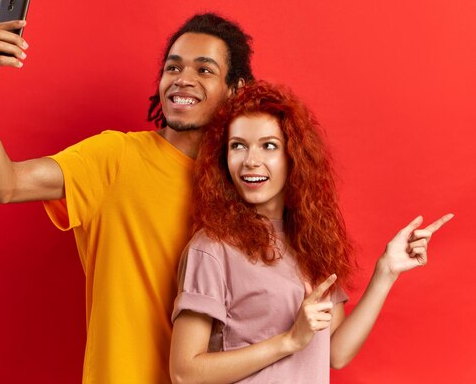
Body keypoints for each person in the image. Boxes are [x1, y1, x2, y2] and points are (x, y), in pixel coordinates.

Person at [0, 12, 254, 383]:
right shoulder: (116, 158)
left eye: (204, 70)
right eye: (173, 67)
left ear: (236, 89)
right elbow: (2, 185)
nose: (183, 79)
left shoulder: (246, 182)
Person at [169, 80, 453, 384]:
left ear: (294, 157)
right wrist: (289, 340)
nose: (251, 161)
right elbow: (185, 374)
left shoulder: (311, 242)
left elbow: (336, 353)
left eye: (269, 145)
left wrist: (386, 271)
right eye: (238, 145)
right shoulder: (212, 248)